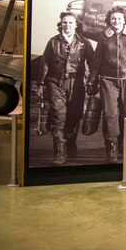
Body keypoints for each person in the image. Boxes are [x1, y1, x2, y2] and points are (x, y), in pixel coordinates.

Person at [87, 6, 126, 163]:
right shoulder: (103, 38)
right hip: (107, 80)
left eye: (119, 18)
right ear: (109, 20)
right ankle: (111, 146)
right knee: (110, 114)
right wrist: (91, 80)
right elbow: (96, 62)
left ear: (124, 20)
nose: (116, 21)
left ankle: (121, 140)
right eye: (113, 18)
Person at [34, 12, 93, 165]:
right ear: (61, 24)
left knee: (74, 115)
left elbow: (93, 63)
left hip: (77, 83)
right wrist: (40, 84)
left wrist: (93, 82)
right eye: (64, 22)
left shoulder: (84, 42)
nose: (67, 25)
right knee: (59, 116)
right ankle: (59, 152)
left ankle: (71, 145)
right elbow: (45, 64)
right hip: (55, 82)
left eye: (70, 23)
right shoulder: (53, 42)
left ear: (76, 25)